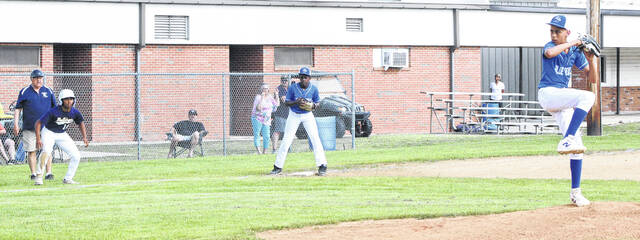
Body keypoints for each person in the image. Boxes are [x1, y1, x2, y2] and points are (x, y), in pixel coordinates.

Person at [538, 15, 597, 207]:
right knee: (587, 97)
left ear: (567, 32)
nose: (554, 34)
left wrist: (591, 59)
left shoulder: (575, 52)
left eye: (558, 31)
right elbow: (550, 54)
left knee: (577, 148)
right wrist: (575, 42)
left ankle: (576, 194)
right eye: (552, 31)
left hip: (561, 100)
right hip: (548, 94)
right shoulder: (549, 46)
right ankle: (567, 138)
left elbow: (593, 79)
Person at [270, 67, 327, 176]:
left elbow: (317, 103)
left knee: (315, 138)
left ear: (309, 78)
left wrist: (313, 105)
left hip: (307, 115)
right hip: (294, 115)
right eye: (301, 77)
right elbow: (286, 103)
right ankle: (277, 167)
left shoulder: (314, 89)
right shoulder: (293, 88)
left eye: (305, 77)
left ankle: (322, 165)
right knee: (286, 140)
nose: (303, 79)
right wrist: (296, 101)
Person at [34, 89, 88, 185]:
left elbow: (80, 123)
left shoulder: (74, 112)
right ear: (61, 100)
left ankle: (68, 178)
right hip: (49, 132)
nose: (69, 101)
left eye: (71, 99)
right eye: (66, 99)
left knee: (76, 156)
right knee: (46, 151)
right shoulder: (53, 111)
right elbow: (38, 123)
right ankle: (38, 177)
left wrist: (85, 137)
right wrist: (38, 138)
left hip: (62, 133)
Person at [14, 69, 56, 180]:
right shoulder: (24, 92)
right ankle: (33, 174)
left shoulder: (48, 91)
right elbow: (18, 109)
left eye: (41, 78)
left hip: (46, 127)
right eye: (37, 78)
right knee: (31, 150)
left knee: (47, 149)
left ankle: (48, 173)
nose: (39, 80)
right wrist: (16, 124)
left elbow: (54, 109)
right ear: (31, 79)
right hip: (30, 127)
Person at [251, 84, 279, 154]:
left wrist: (277, 95)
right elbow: (258, 108)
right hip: (257, 118)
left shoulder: (270, 97)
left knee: (266, 136)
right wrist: (262, 98)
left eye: (266, 88)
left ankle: (264, 152)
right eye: (263, 88)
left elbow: (277, 104)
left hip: (267, 119)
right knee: (257, 134)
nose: (265, 90)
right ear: (261, 90)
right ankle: (259, 151)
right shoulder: (258, 97)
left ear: (268, 90)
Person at [271, 76, 290, 153]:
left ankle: (288, 148)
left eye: (285, 80)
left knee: (288, 132)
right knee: (278, 131)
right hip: (280, 114)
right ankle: (274, 149)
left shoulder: (290, 88)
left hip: (289, 114)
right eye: (283, 80)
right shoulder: (279, 89)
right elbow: (284, 100)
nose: (284, 82)